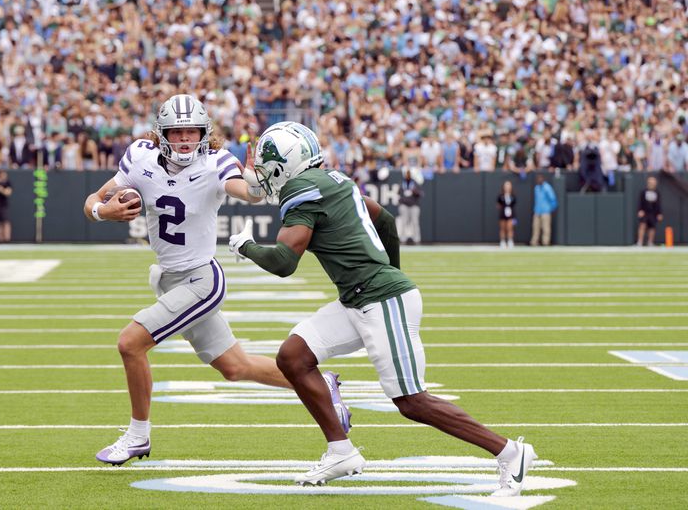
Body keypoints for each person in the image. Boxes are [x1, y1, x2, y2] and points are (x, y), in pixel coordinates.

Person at [229, 121, 537, 496]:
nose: (262, 174)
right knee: (293, 356)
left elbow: (283, 263)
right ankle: (341, 451)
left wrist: (245, 245)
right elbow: (385, 219)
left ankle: (509, 452)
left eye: (266, 166)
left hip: (379, 298)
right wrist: (391, 269)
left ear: (285, 165)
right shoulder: (334, 179)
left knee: (412, 402)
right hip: (360, 298)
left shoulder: (300, 191)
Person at [83, 95, 344, 466]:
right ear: (162, 134)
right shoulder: (140, 157)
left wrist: (258, 180)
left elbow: (248, 192)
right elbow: (94, 198)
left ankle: (138, 436)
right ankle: (323, 384)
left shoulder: (215, 163)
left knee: (130, 343)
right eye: (178, 131)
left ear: (205, 133)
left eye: (192, 131)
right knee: (236, 367)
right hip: (170, 279)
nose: (186, 139)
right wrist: (102, 210)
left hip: (201, 280)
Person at [531, 174, 558, 246]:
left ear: (543, 179)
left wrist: (550, 209)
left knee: (546, 228)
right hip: (537, 211)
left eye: (540, 179)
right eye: (538, 179)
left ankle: (545, 243)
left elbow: (553, 199)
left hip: (545, 211)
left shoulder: (547, 187)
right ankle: (534, 242)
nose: (539, 180)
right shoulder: (536, 188)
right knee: (535, 228)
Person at [397, 168, 421, 245]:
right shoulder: (402, 183)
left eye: (409, 173)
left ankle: (417, 239)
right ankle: (403, 238)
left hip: (414, 205)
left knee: (415, 222)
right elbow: (398, 193)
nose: (408, 175)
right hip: (404, 205)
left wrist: (415, 191)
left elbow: (420, 194)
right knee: (403, 222)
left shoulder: (415, 183)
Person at [636, 176, 663, 247]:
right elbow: (640, 202)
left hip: (653, 213)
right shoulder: (643, 192)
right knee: (642, 225)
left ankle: (650, 242)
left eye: (653, 182)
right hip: (645, 212)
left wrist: (659, 213)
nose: (651, 184)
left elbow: (658, 204)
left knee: (652, 227)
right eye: (650, 182)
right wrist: (640, 210)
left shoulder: (657, 193)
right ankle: (640, 242)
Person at [497, 180, 516, 249]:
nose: (507, 187)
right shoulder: (500, 196)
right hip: (502, 214)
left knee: (510, 228)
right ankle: (502, 242)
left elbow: (513, 205)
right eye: (506, 186)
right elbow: (498, 205)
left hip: (510, 214)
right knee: (502, 228)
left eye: (509, 186)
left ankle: (510, 241)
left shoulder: (513, 196)